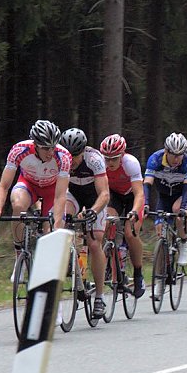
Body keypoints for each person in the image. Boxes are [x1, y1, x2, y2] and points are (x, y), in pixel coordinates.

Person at [0, 120, 72, 279]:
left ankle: (46, 276)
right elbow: (4, 186)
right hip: (28, 184)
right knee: (18, 205)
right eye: (46, 148)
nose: (50, 152)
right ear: (35, 145)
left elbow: (60, 196)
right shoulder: (19, 150)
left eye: (53, 147)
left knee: (50, 231)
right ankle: (20, 255)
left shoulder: (63, 156)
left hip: (52, 190)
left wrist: (57, 224)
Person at [60, 128, 111, 318]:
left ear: (83, 152)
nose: (71, 160)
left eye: (75, 156)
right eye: (68, 155)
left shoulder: (95, 160)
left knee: (94, 242)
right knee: (62, 219)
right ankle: (69, 263)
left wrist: (93, 212)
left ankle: (99, 296)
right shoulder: (60, 159)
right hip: (72, 194)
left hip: (94, 198)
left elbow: (105, 194)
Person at [100, 133, 147, 298]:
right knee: (106, 223)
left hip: (132, 196)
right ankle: (109, 260)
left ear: (122, 155)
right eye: (107, 158)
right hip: (115, 196)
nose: (110, 162)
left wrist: (134, 211)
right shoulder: (100, 164)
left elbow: (140, 194)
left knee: (130, 232)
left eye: (114, 158)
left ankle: (138, 273)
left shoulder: (130, 163)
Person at [144, 133, 187, 266]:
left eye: (180, 154)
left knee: (178, 212)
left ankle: (184, 244)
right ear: (166, 151)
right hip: (164, 196)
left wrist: (184, 208)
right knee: (160, 229)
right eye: (174, 154)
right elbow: (147, 184)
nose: (177, 159)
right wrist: (145, 204)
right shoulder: (155, 159)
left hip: (182, 195)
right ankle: (161, 273)